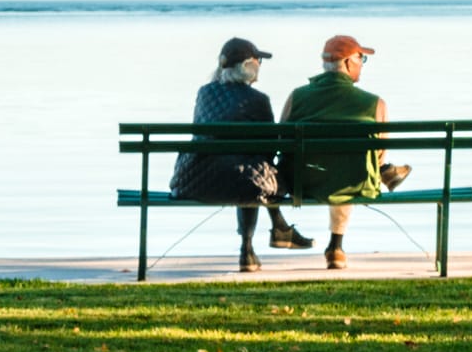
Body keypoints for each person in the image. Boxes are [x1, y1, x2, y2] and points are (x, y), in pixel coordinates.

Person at [169, 37, 315, 272]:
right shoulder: (258, 100)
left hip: (195, 181)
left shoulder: (204, 93)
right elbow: (269, 149)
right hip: (243, 182)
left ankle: (276, 232)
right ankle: (249, 248)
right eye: (258, 61)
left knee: (247, 171)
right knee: (252, 174)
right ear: (248, 66)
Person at [278, 35, 412, 270]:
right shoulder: (374, 104)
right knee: (350, 169)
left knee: (341, 168)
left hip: (301, 184)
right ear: (349, 62)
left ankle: (335, 247)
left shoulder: (296, 97)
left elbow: (281, 141)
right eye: (361, 58)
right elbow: (379, 154)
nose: (362, 64)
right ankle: (336, 248)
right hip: (356, 182)